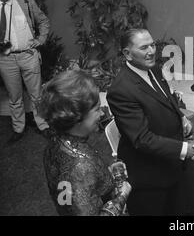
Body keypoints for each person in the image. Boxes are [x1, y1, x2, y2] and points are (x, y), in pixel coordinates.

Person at [106, 28, 194, 215]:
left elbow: (166, 96)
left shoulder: (152, 68)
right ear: (127, 54)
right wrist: (187, 149)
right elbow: (142, 139)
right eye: (144, 47)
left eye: (152, 45)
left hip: (170, 166)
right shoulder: (121, 90)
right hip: (149, 177)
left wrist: (181, 116)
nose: (152, 51)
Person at [39, 70, 132, 216]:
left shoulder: (55, 143)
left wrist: (106, 176)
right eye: (96, 109)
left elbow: (74, 195)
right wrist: (121, 196)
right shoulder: (81, 167)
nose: (102, 113)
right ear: (76, 117)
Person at [0, 0, 50, 143]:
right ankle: (19, 128)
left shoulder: (25, 2)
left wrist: (40, 39)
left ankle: (43, 125)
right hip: (5, 60)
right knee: (14, 97)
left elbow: (43, 21)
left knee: (37, 95)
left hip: (28, 55)